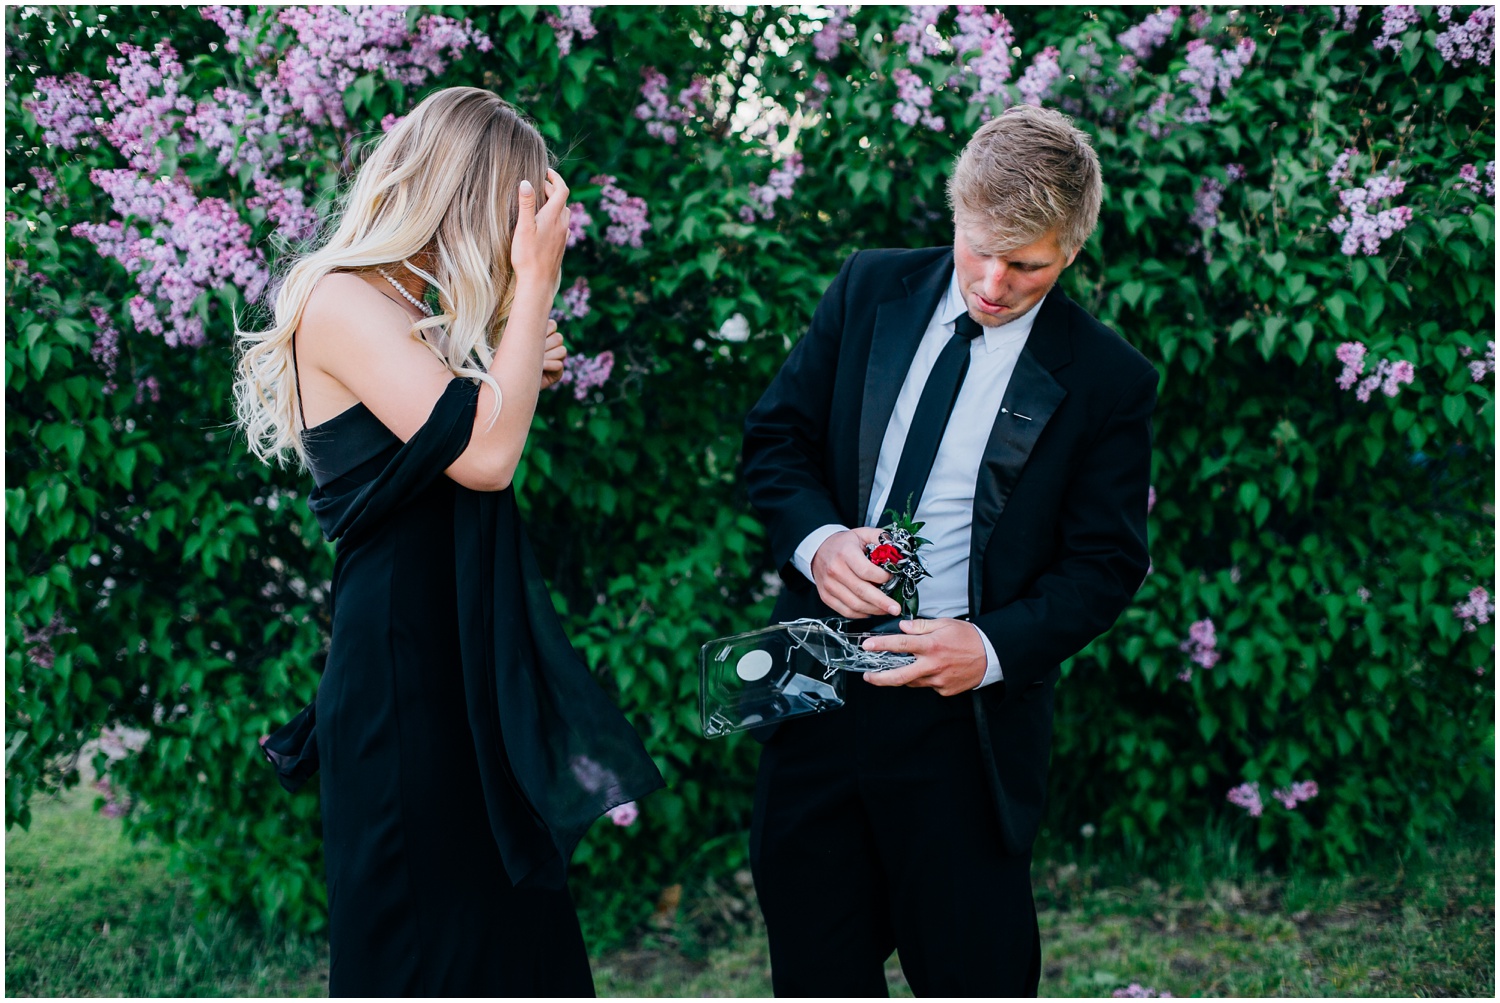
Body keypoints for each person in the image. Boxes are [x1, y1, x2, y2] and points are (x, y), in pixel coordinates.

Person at [234, 87, 662, 997]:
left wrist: (503, 363)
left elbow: (467, 440)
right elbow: (488, 458)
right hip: (401, 681)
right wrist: (535, 286)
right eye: (513, 208)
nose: (516, 242)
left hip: (464, 669)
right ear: (467, 197)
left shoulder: (416, 315)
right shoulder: (338, 298)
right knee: (425, 948)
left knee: (511, 935)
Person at [741, 105, 1157, 996]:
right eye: (979, 249)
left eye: (1028, 264)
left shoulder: (1110, 380)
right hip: (814, 687)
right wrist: (818, 546)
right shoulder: (866, 288)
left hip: (963, 726)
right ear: (954, 211)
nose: (994, 283)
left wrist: (992, 648)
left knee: (978, 973)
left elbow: (1106, 563)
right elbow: (776, 441)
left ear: (1072, 249)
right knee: (813, 967)